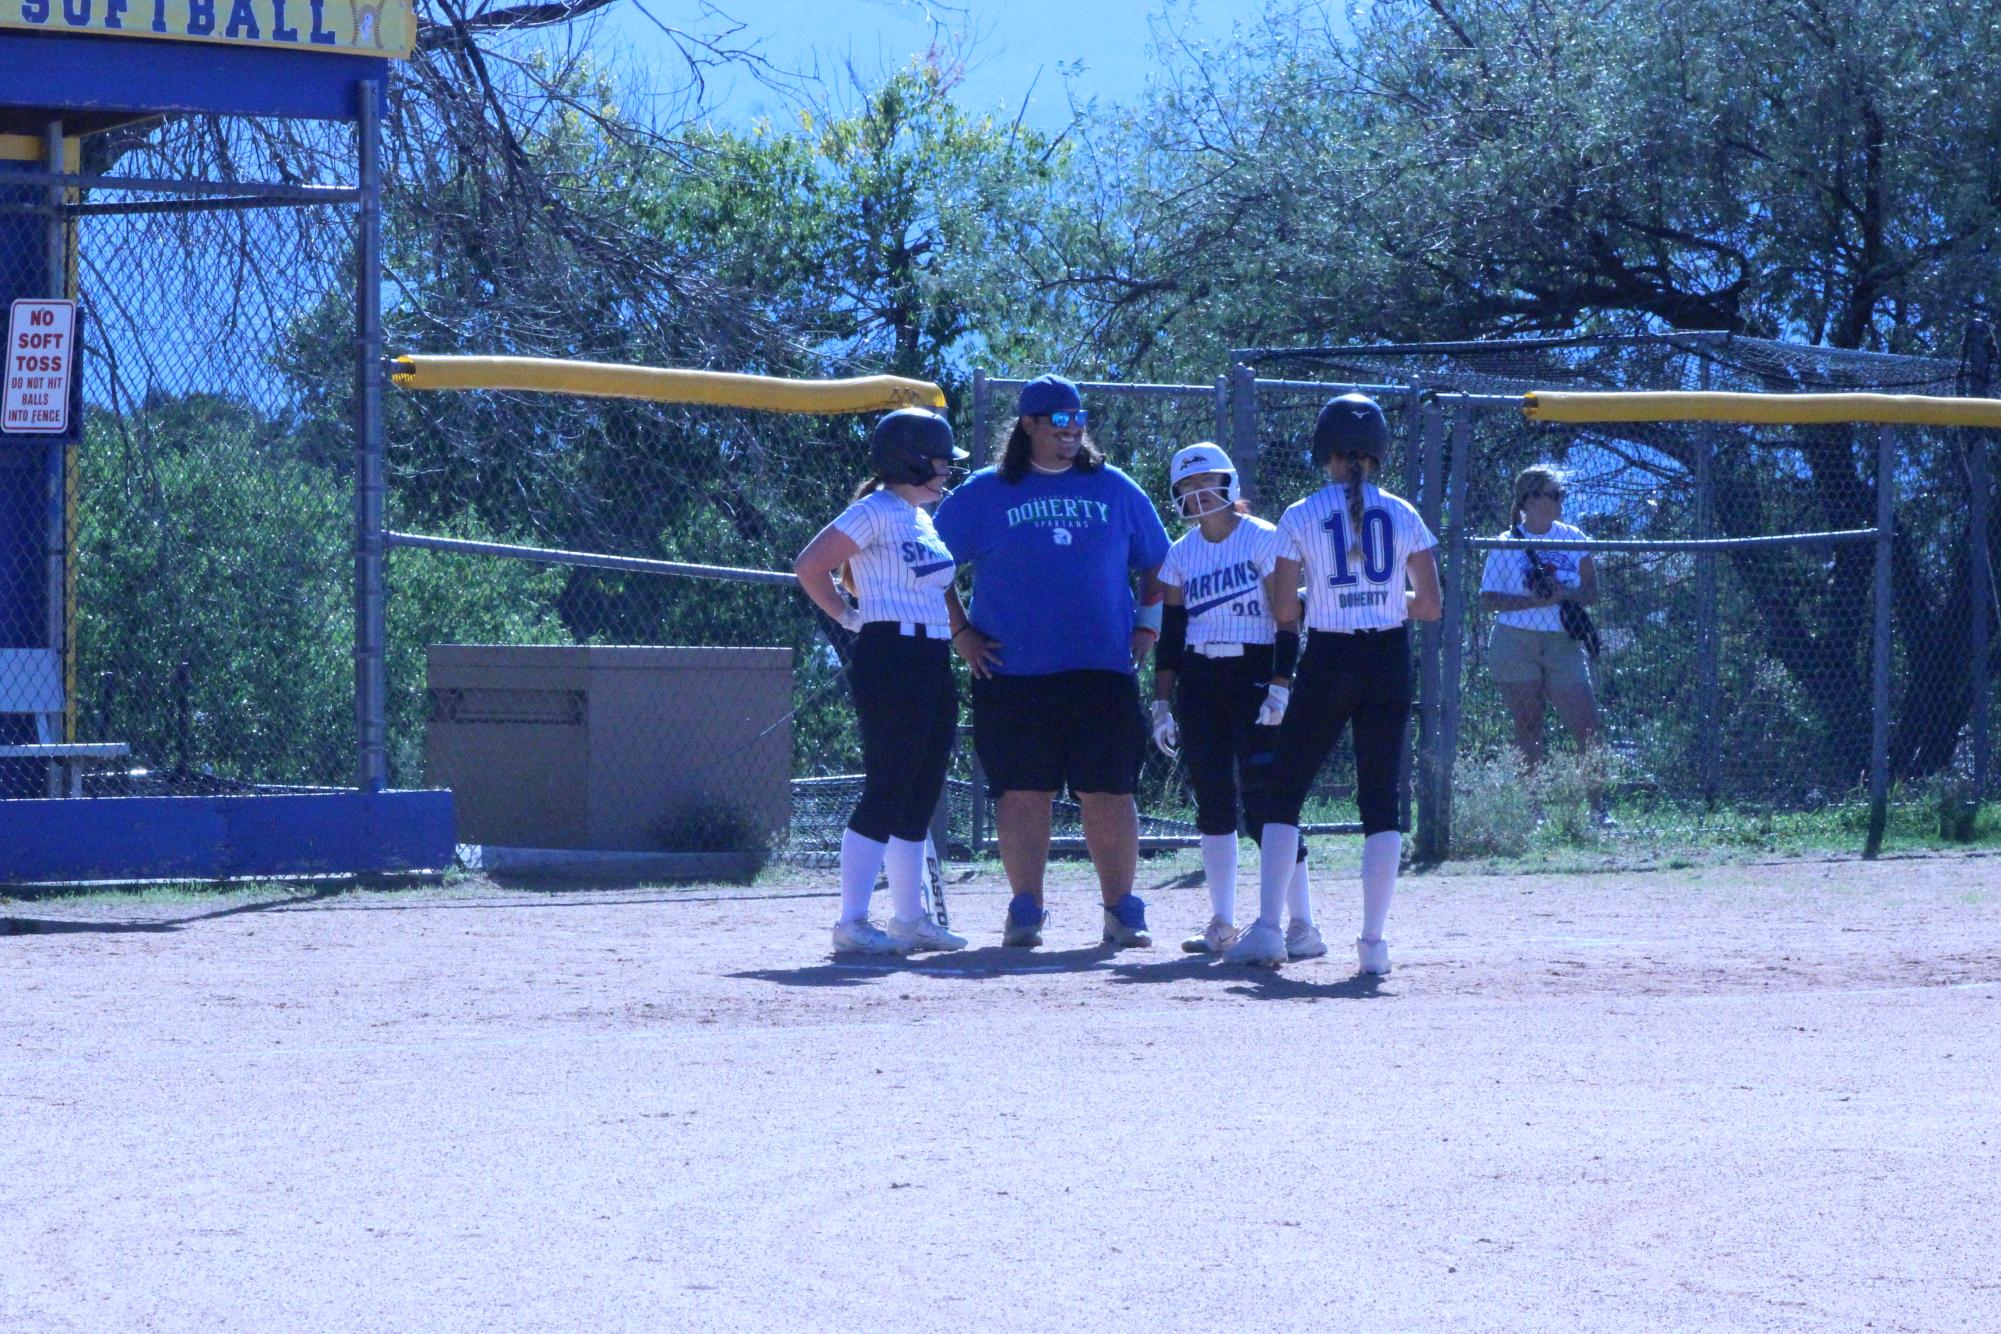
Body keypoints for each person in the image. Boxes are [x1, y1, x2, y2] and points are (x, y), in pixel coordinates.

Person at [934, 374, 1171, 949]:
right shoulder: (987, 491)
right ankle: (1025, 910)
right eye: (1058, 421)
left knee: (1110, 791)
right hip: (1011, 672)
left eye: (1078, 419)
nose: (1071, 430)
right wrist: (960, 632)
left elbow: (1160, 562)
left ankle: (1121, 909)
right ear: (1029, 425)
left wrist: (1147, 623)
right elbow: (929, 564)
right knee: (1022, 791)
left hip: (1101, 669)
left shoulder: (1113, 488)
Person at [1224, 394, 1441, 973]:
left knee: (1285, 788)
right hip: (1388, 657)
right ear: (1379, 455)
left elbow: (1283, 610)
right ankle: (1373, 946)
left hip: (1329, 658)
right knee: (1381, 801)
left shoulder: (1299, 515)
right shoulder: (1404, 513)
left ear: (1326, 453)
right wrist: (1384, 596)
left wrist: (1325, 597)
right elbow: (1432, 606)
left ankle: (1271, 930)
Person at [794, 407, 971, 955]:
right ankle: (851, 921)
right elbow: (810, 566)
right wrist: (850, 617)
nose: (947, 472)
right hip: (890, 651)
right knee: (888, 784)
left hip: (931, 652)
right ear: (912, 461)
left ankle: (909, 919)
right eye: (941, 462)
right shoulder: (875, 510)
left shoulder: (920, 517)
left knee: (921, 786)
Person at [1147, 442, 1322, 959]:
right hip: (1203, 677)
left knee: (1269, 800)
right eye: (1187, 489)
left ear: (1229, 487)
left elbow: (1286, 617)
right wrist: (1162, 703)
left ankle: (1302, 926)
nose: (1198, 497)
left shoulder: (1263, 539)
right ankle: (1222, 922)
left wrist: (1281, 683)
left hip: (1255, 669)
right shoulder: (1180, 554)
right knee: (1213, 800)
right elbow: (1173, 634)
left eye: (1207, 485)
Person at [1479, 465, 1601, 770]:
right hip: (1515, 641)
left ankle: (1598, 810)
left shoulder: (1573, 537)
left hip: (1562, 641)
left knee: (1588, 726)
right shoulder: (1506, 543)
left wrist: (1563, 595)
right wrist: (1533, 600)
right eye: (1555, 495)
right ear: (1532, 501)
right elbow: (1487, 600)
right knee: (1529, 728)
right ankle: (1533, 811)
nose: (1561, 501)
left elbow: (1592, 592)